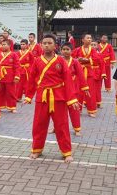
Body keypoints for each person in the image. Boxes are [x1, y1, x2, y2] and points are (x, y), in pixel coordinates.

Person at [24, 34, 80, 163]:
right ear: (41, 45)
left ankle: (66, 152)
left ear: (55, 46)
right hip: (42, 97)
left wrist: (72, 99)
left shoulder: (60, 61)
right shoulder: (37, 61)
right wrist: (28, 96)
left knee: (62, 125)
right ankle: (36, 149)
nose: (47, 45)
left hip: (58, 97)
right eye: (44, 43)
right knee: (39, 124)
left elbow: (68, 80)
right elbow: (32, 79)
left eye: (49, 43)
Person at [60, 42, 89, 136]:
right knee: (59, 111)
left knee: (74, 110)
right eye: (63, 49)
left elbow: (81, 75)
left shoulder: (75, 62)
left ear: (71, 51)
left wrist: (85, 88)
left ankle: (77, 129)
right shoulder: (58, 60)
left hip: (73, 89)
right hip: (60, 89)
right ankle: (56, 127)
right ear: (61, 51)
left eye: (67, 49)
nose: (65, 51)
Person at [72, 33, 104, 117]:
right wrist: (78, 60)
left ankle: (92, 111)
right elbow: (72, 59)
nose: (89, 39)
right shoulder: (77, 50)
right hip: (79, 73)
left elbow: (96, 59)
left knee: (90, 92)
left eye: (90, 38)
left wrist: (86, 60)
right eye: (87, 38)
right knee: (78, 92)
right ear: (83, 40)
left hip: (89, 72)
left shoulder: (93, 50)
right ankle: (78, 109)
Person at [0, 40, 20, 113]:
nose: (3, 46)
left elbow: (17, 66)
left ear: (9, 46)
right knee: (0, 92)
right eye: (2, 44)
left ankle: (12, 107)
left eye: (4, 44)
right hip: (0, 76)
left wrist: (16, 76)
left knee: (11, 92)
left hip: (10, 76)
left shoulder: (13, 55)